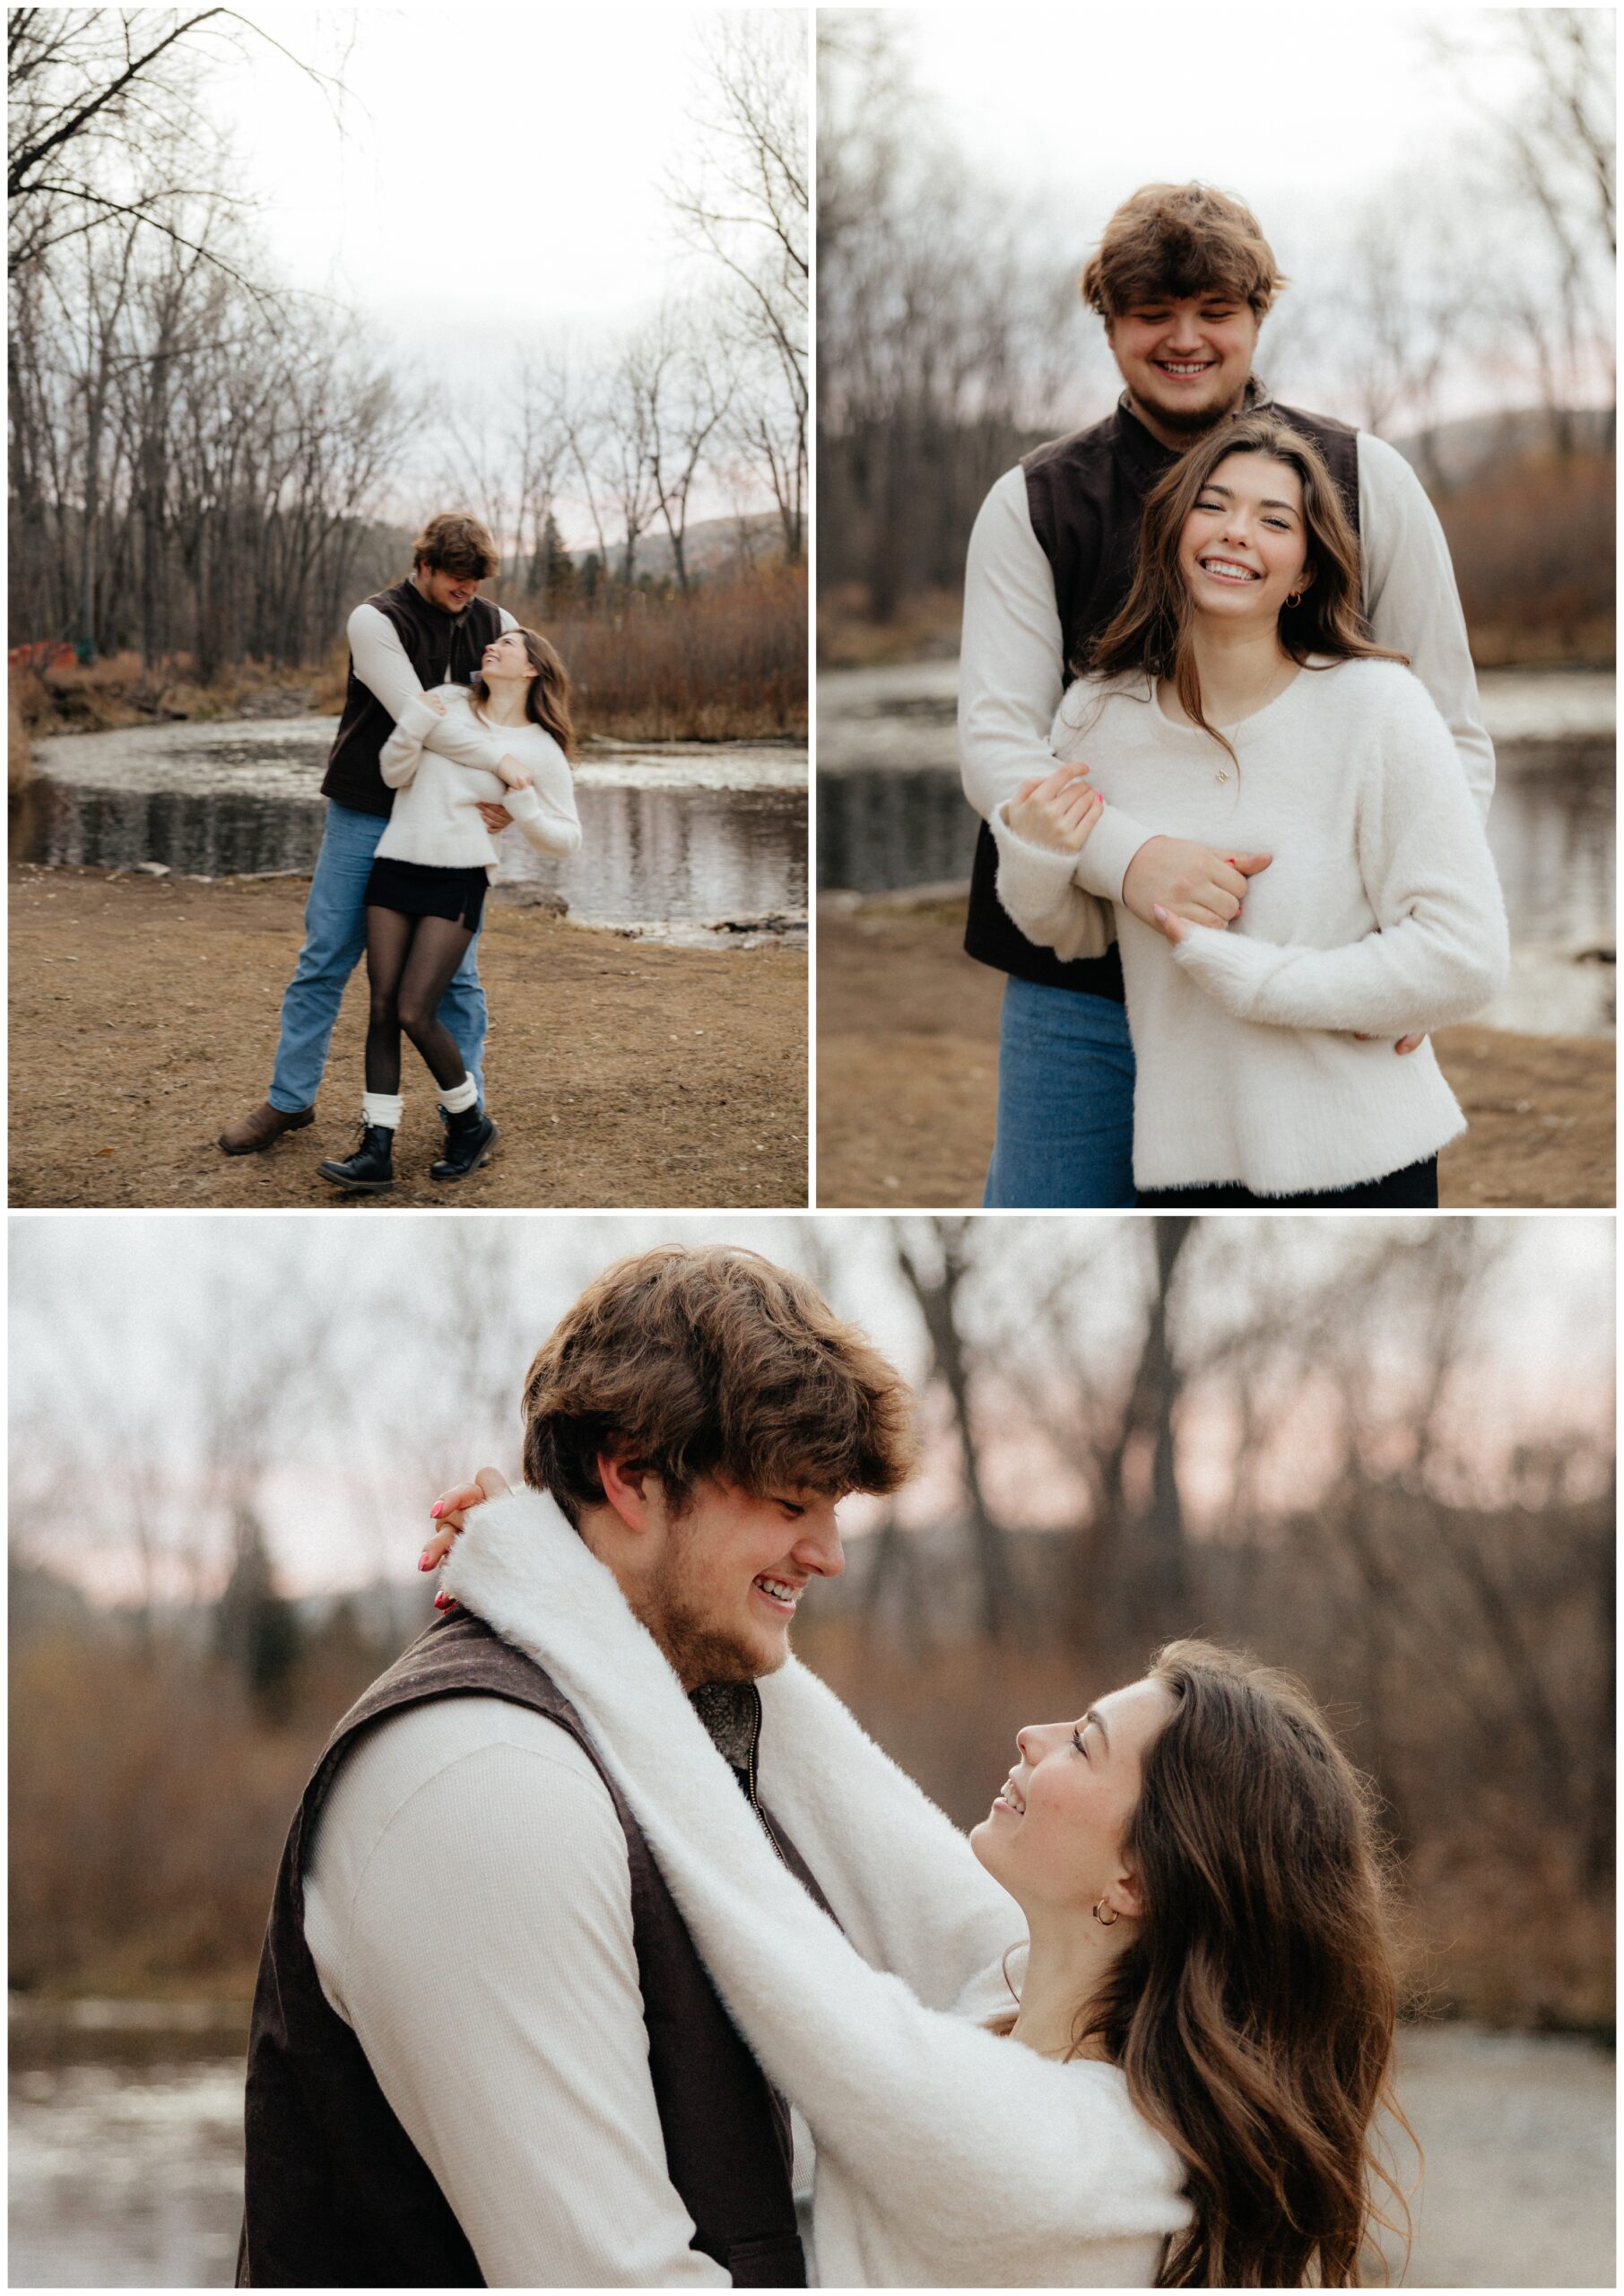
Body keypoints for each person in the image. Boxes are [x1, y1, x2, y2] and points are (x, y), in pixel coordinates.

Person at [423, 1483, 1413, 2287]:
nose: (1034, 1735)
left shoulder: (1068, 2158)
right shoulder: (1020, 1996)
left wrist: (548, 1583)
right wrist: (608, 1553)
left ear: (1135, 1880)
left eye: (1084, 1742)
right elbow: (830, 1775)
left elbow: (761, 1928)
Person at [237, 1245, 918, 2288]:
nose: (826, 1551)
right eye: (790, 1503)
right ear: (632, 1474)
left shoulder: (684, 1734)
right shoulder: (484, 1776)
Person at [958, 181, 1494, 1206]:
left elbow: (1450, 731)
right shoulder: (1034, 501)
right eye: (1151, 314)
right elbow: (997, 746)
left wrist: (1403, 954)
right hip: (1082, 995)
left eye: (1214, 311)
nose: (1184, 339)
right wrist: (1134, 862)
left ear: (1256, 315)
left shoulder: (1362, 477)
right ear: (1109, 324)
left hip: (1304, 962)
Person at [218, 512, 519, 1159]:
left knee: (457, 980)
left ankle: (468, 1116)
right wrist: (500, 767)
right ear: (425, 565)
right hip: (366, 812)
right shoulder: (374, 619)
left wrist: (513, 799)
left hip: (447, 818)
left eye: (475, 580)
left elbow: (526, 714)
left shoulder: (500, 626)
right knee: (325, 958)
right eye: (456, 578)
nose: (467, 590)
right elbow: (422, 718)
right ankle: (289, 1101)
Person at [317, 627, 583, 1193]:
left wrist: (523, 807)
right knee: (383, 1008)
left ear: (532, 668)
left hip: (459, 877)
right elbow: (394, 773)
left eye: (508, 644)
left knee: (417, 1009)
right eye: (494, 642)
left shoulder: (541, 747)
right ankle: (376, 1150)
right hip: (396, 861)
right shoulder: (448, 701)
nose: (493, 647)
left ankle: (469, 1123)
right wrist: (414, 721)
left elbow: (566, 839)